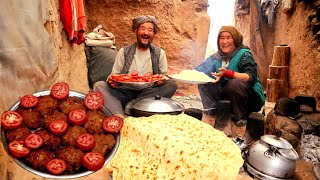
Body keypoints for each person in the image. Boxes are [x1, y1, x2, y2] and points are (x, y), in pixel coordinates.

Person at [93, 15, 178, 119]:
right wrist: (112, 80)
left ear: (154, 34)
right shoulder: (124, 52)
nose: (146, 32)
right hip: (124, 92)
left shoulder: (160, 53)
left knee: (172, 84)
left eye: (150, 30)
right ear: (135, 31)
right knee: (99, 86)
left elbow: (164, 77)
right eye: (142, 28)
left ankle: (134, 105)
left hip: (148, 93)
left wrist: (162, 80)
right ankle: (119, 115)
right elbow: (114, 75)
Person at [196, 26, 265, 137]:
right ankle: (212, 115)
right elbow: (198, 71)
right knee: (205, 81)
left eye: (229, 38)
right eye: (221, 38)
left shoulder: (244, 54)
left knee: (234, 84)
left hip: (249, 99)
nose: (225, 41)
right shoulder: (215, 57)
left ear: (235, 39)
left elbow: (250, 77)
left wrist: (229, 74)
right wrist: (178, 72)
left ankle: (239, 124)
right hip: (227, 100)